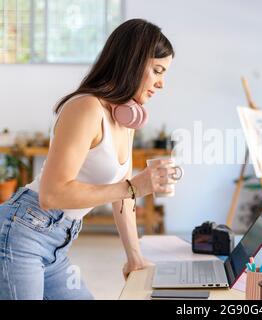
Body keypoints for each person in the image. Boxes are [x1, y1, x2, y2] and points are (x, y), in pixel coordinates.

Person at [0, 19, 176, 300]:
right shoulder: (86, 108)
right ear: (132, 62)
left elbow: (124, 196)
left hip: (58, 243)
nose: (161, 83)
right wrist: (134, 186)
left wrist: (135, 258)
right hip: (23, 233)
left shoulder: (126, 118)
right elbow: (51, 194)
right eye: (157, 70)